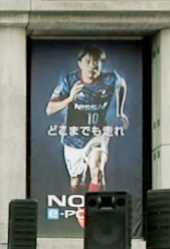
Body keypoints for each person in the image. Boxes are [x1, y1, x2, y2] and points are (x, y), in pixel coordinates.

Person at [45, 45, 128, 226]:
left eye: (96, 62)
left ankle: (95, 212)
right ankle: (79, 206)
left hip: (97, 134)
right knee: (76, 181)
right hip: (73, 139)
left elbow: (121, 84)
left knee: (97, 170)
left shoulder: (109, 79)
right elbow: (49, 109)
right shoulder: (70, 81)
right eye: (88, 61)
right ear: (80, 63)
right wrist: (69, 100)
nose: (93, 66)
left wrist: (120, 112)